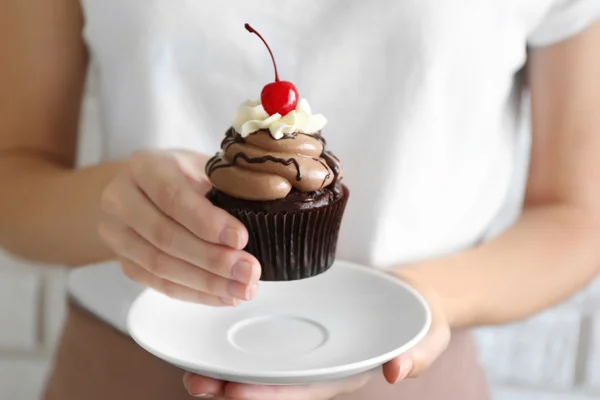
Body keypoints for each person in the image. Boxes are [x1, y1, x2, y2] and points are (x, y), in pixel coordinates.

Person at [2, 0, 600, 399]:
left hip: (408, 372)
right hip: (125, 369)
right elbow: (15, 175)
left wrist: (420, 298)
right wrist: (114, 205)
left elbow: (576, 215)